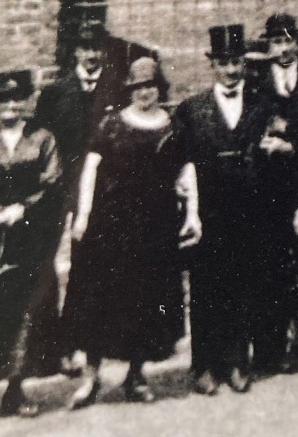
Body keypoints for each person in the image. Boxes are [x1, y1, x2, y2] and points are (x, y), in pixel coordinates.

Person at [63, 57, 201, 408]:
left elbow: (186, 171)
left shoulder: (172, 127)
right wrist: (83, 215)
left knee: (145, 303)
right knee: (100, 303)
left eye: (150, 86)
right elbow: (92, 169)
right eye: (137, 87)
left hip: (154, 229)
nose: (144, 93)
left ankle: (135, 377)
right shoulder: (112, 124)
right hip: (110, 228)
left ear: (160, 88)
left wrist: (193, 215)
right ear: (129, 90)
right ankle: (91, 379)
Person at [172, 24, 269, 395]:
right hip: (207, 214)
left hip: (248, 212)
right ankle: (204, 366)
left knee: (243, 286)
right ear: (212, 65)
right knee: (205, 289)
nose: (231, 70)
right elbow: (180, 162)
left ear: (244, 63)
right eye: (224, 63)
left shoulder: (261, 105)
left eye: (236, 62)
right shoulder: (192, 109)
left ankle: (237, 362)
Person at [29, 20, 126, 376]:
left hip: (107, 192)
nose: (90, 55)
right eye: (84, 48)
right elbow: (42, 141)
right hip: (64, 194)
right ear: (75, 52)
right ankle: (63, 348)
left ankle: (101, 342)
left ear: (103, 51)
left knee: (102, 266)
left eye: (96, 48)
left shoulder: (117, 88)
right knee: (61, 269)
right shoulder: (56, 93)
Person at [248, 13, 298, 375]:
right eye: (277, 41)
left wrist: (292, 148)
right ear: (268, 47)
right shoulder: (255, 86)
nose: (284, 48)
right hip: (268, 192)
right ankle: (272, 345)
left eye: (289, 40)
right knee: (271, 265)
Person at [0, 70, 61, 419]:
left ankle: (15, 389)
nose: (10, 106)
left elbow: (52, 181)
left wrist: (22, 208)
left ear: (27, 102)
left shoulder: (42, 138)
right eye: (4, 100)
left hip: (27, 234)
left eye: (17, 99)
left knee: (21, 311)